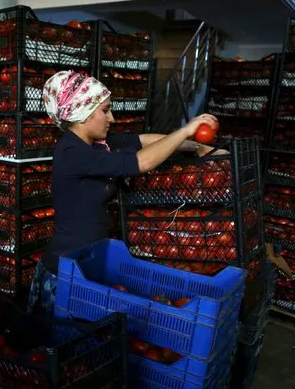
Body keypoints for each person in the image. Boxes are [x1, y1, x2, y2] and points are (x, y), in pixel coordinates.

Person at [29, 70, 221, 315]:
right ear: (83, 112)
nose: (112, 118)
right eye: (105, 110)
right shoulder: (72, 152)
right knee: (64, 342)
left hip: (89, 261)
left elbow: (142, 141)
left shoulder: (98, 144)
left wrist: (197, 146)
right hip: (64, 271)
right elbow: (141, 162)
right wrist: (185, 130)